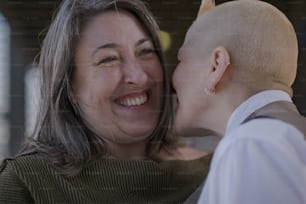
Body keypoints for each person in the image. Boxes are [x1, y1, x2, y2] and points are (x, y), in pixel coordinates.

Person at [0, 0, 212, 203]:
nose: (139, 76)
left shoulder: (220, 168)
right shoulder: (26, 184)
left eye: (146, 51)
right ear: (68, 87)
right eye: (109, 59)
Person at [172, 0, 306, 203]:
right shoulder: (281, 136)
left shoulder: (251, 144)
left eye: (182, 59)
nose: (173, 77)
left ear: (216, 66)